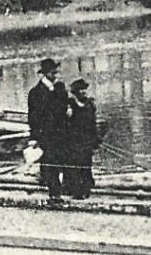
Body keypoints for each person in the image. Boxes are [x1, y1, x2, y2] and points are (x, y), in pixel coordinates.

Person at [27, 57, 70, 205]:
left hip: (60, 134)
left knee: (59, 161)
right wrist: (35, 137)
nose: (56, 76)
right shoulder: (36, 93)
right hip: (46, 135)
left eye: (56, 72)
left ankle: (57, 188)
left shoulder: (59, 90)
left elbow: (63, 110)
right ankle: (55, 194)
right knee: (50, 162)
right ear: (45, 74)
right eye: (53, 73)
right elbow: (33, 117)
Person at [63, 78, 99, 200]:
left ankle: (87, 188)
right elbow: (66, 124)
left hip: (87, 140)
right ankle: (76, 191)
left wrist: (95, 139)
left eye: (85, 89)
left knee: (86, 164)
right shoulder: (70, 105)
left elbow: (93, 123)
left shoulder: (89, 105)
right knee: (75, 165)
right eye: (80, 90)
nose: (83, 92)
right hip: (74, 141)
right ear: (75, 92)